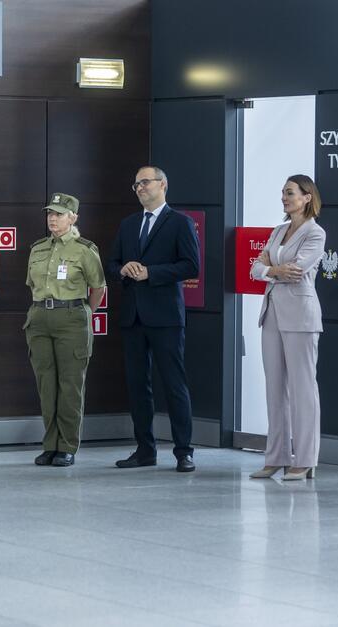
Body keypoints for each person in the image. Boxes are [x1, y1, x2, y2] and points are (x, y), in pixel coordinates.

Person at [107, 166, 200, 473]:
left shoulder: (180, 223)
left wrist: (152, 272)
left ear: (163, 184)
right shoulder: (129, 224)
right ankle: (145, 449)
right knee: (137, 385)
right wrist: (123, 270)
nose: (140, 188)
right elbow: (112, 263)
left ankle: (184, 451)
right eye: (136, 185)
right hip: (133, 315)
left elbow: (190, 266)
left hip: (165, 316)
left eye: (145, 182)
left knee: (174, 384)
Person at [249, 175, 326, 481]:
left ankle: (305, 458)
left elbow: (298, 271)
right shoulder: (279, 230)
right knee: (274, 388)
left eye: (290, 192)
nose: (284, 197)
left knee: (303, 389)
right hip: (272, 314)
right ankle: (276, 456)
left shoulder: (315, 233)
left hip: (301, 315)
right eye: (283, 192)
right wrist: (273, 269)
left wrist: (271, 268)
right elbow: (255, 268)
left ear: (307, 197)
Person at [25, 193, 106, 467]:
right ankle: (50, 444)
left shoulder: (84, 249)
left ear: (73, 218)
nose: (53, 218)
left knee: (70, 386)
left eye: (59, 214)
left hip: (72, 317)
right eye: (50, 213)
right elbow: (32, 286)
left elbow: (99, 288)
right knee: (46, 385)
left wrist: (84, 313)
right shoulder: (38, 248)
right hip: (39, 317)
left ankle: (67, 445)